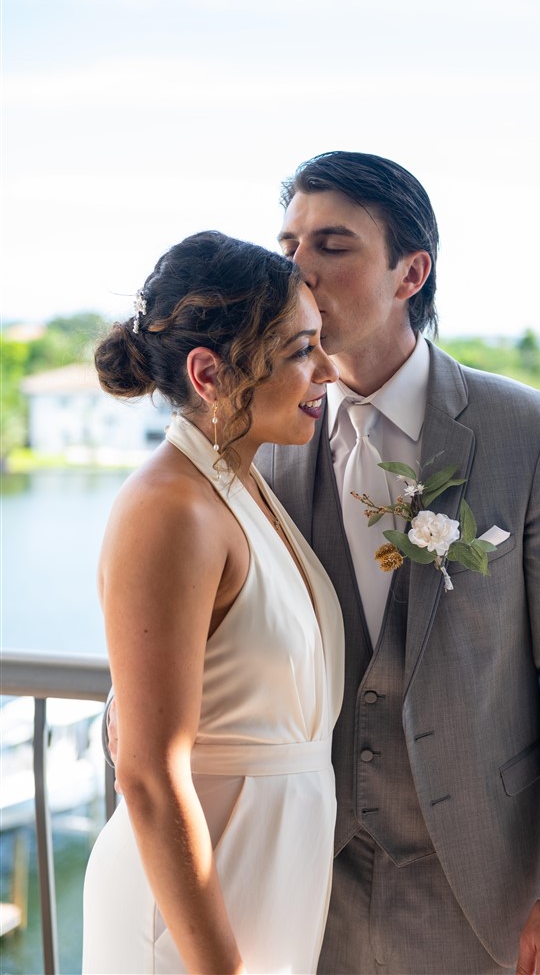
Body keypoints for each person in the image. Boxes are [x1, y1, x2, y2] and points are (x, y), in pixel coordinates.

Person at [253, 152, 540, 974]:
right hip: (303, 879)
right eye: (286, 245)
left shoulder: (530, 433)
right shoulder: (262, 441)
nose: (296, 271)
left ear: (410, 271)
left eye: (332, 245)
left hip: (479, 882)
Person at [83, 230, 343, 974]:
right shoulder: (169, 512)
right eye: (300, 351)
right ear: (209, 373)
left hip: (264, 885)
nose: (326, 369)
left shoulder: (241, 486)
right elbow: (148, 773)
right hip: (193, 921)